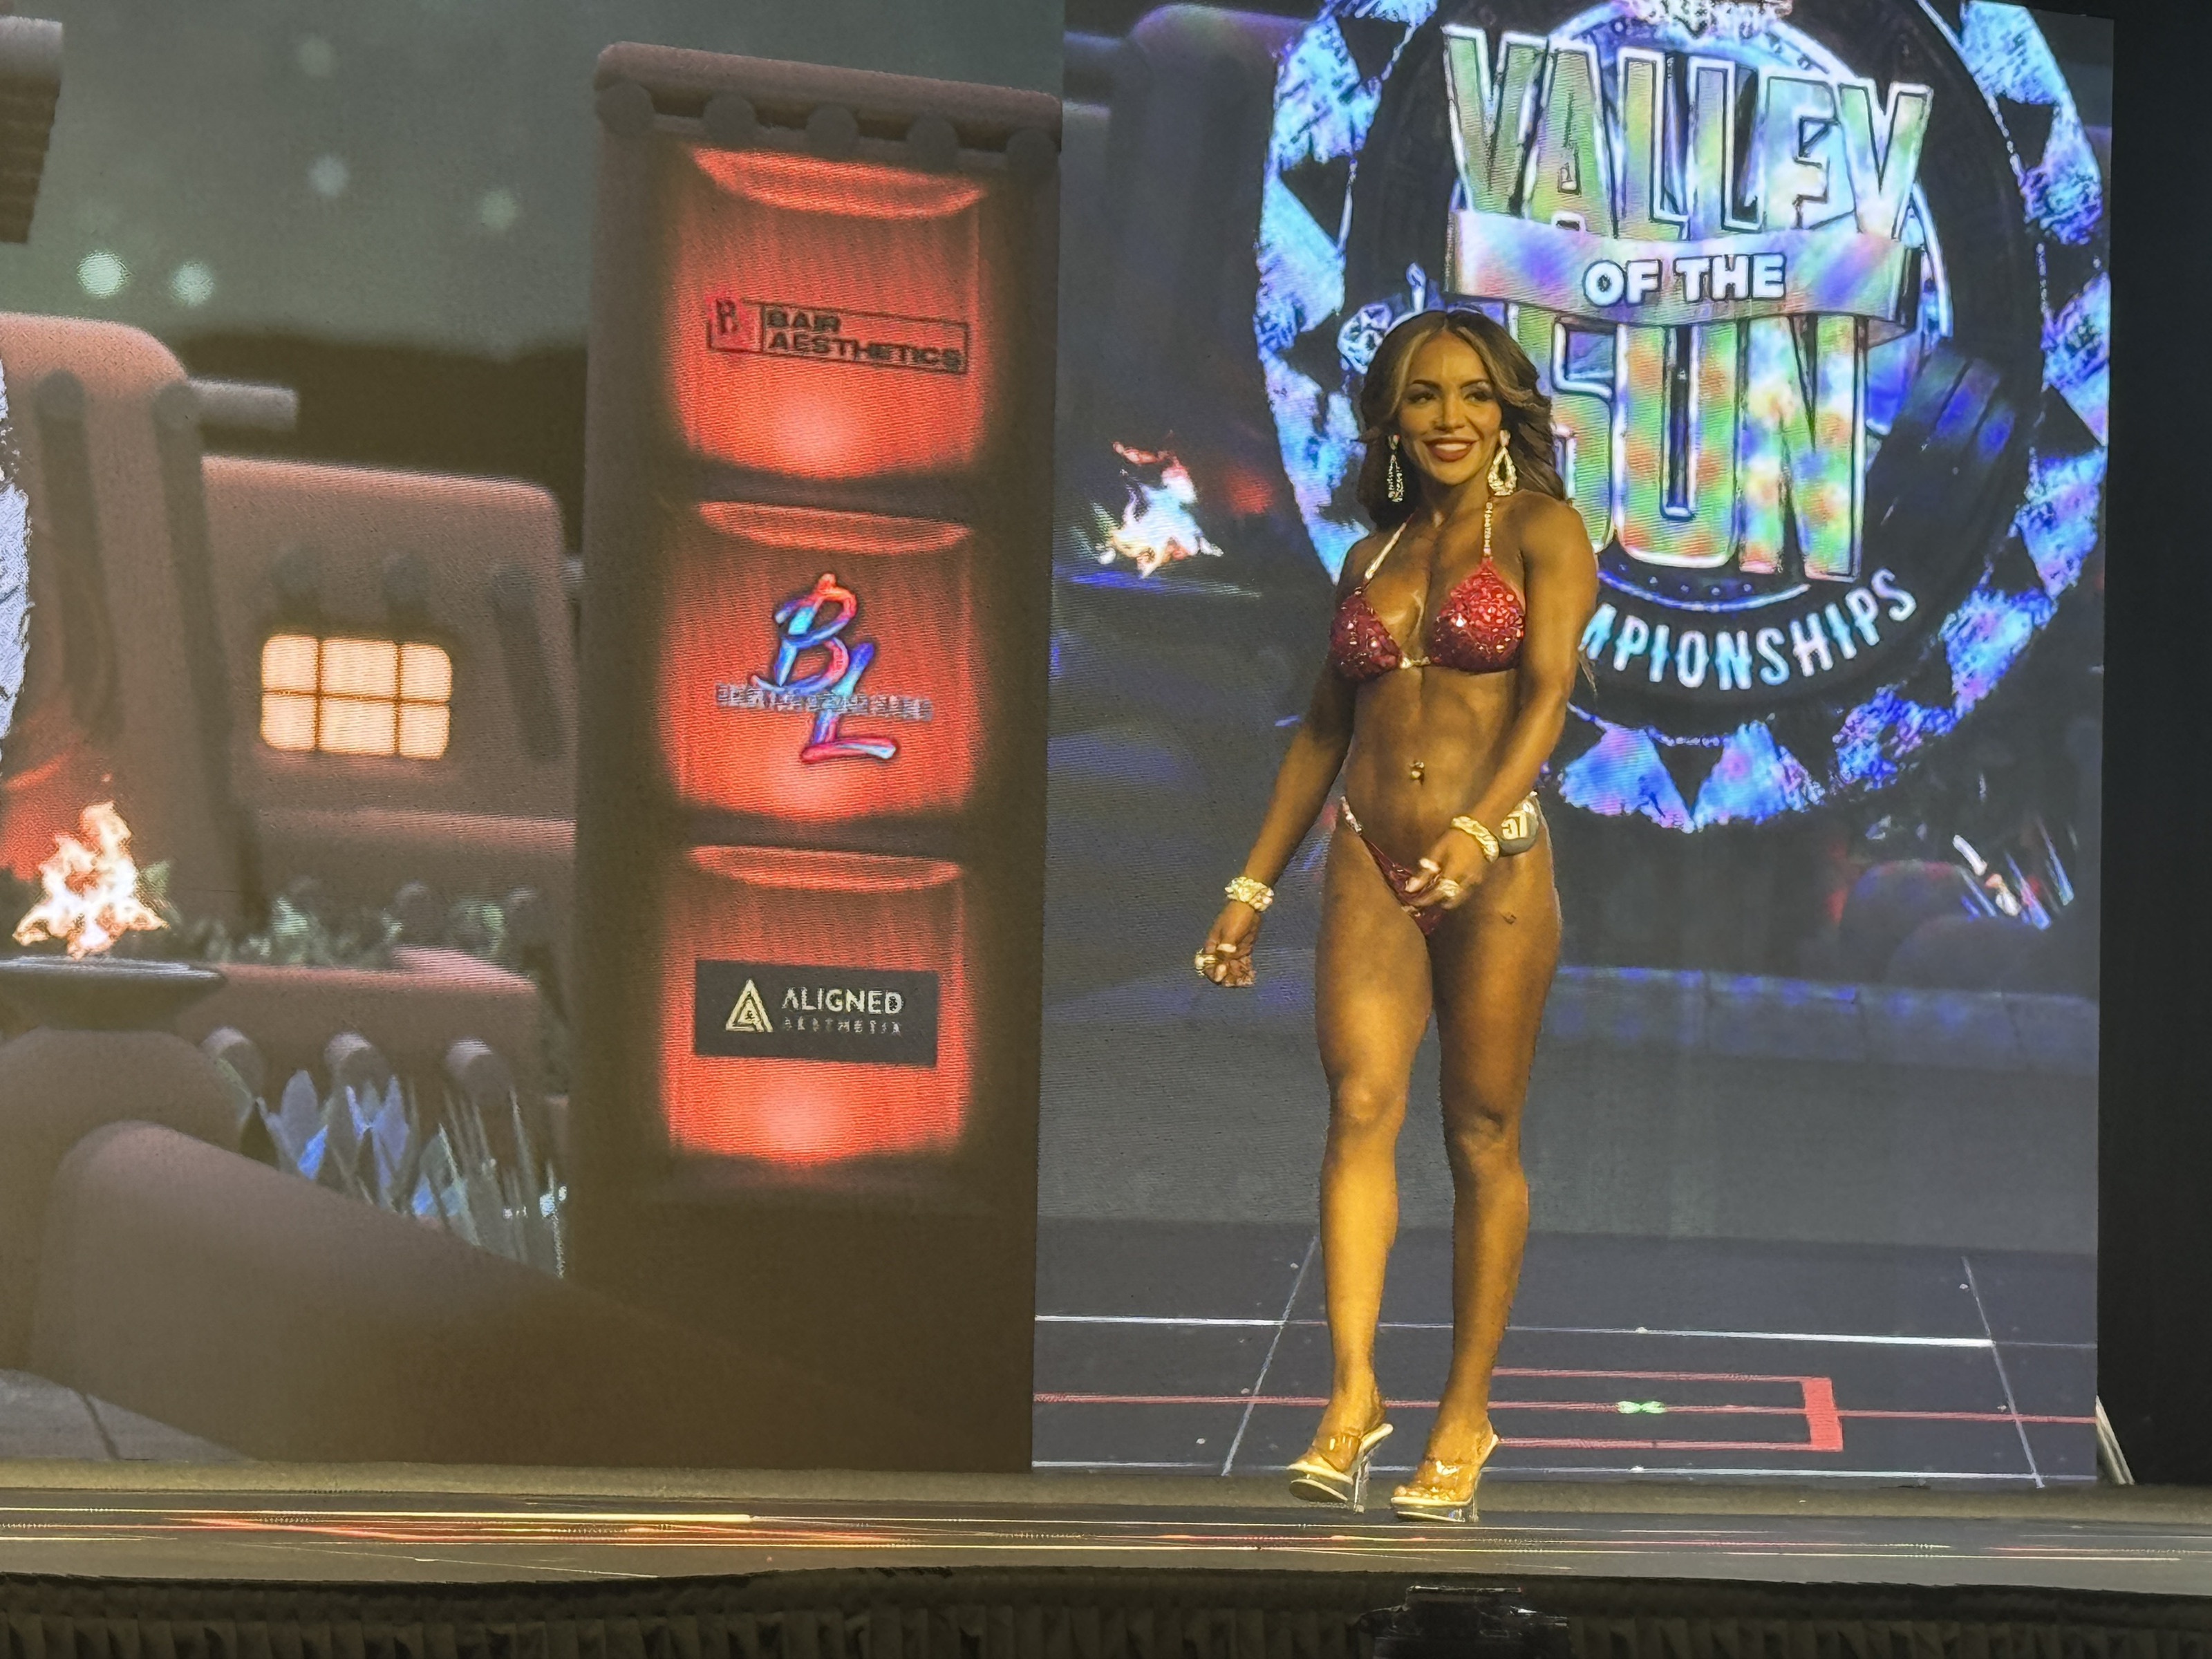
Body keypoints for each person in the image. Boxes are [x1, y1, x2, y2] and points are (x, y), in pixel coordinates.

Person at [1194, 309, 1597, 1521]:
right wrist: (1250, 887)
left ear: (1506, 412)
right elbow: (1324, 730)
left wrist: (1477, 832)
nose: (1449, 418)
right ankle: (1352, 1394)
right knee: (1359, 1110)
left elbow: (1548, 694)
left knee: (1480, 1133)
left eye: (1473, 395)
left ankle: (1465, 1412)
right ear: (1393, 419)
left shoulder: (1545, 531)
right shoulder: (1369, 559)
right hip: (1369, 856)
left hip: (1495, 863)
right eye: (1424, 397)